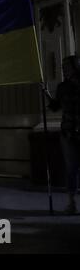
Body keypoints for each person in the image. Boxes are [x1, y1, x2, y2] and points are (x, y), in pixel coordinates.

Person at [45, 55, 80, 215]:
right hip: (68, 132)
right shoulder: (62, 87)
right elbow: (55, 107)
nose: (64, 69)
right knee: (71, 168)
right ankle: (72, 203)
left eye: (67, 66)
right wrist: (46, 93)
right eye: (63, 66)